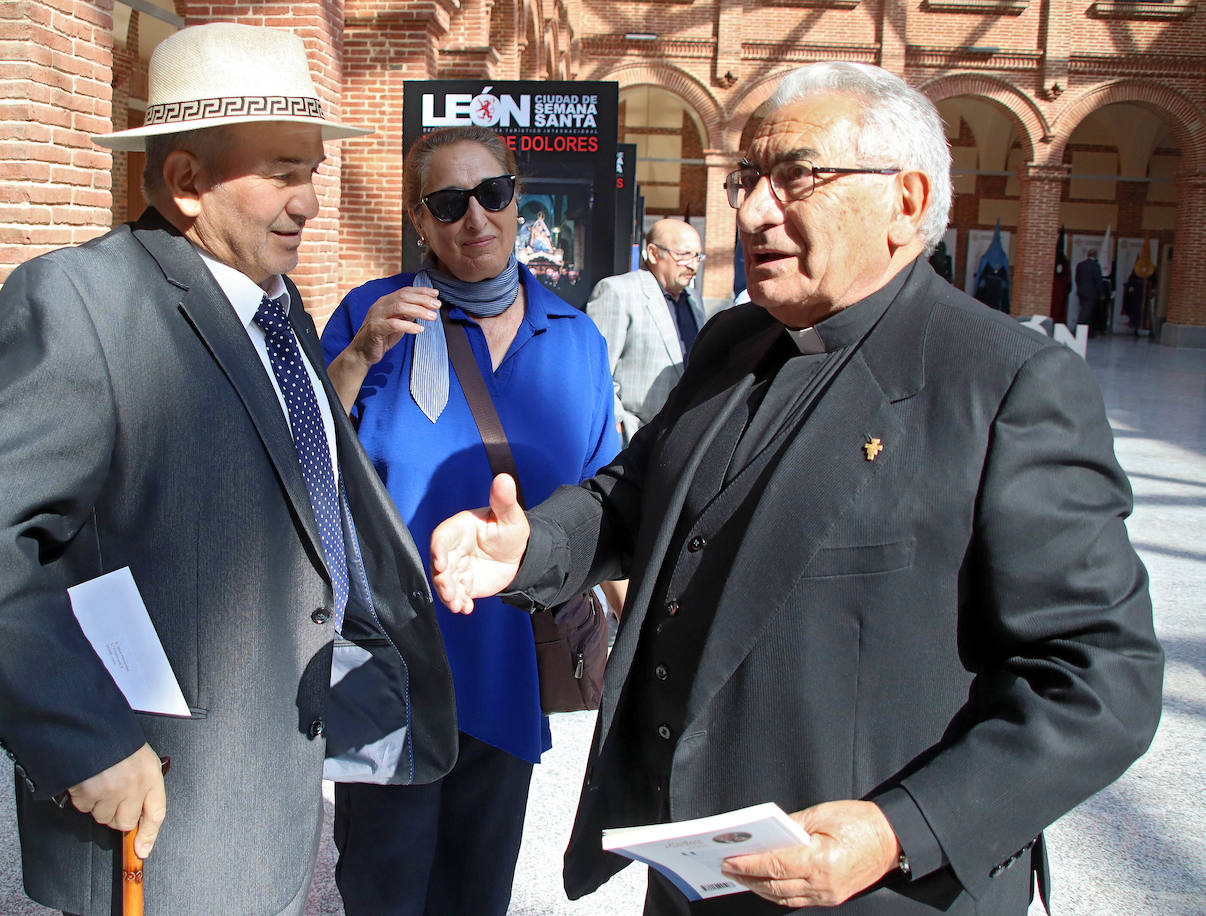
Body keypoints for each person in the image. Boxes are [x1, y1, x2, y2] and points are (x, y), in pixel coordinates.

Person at [432, 61, 1163, 916]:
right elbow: (633, 498)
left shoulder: (1006, 385)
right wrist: (531, 546)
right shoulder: (733, 341)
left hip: (872, 888)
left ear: (907, 198)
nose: (750, 211)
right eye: (750, 178)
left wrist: (899, 829)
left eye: (797, 177)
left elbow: (1101, 675)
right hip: (696, 873)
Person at [0, 23, 456, 916]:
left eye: (314, 170)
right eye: (284, 171)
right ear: (186, 184)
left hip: (272, 808)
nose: (311, 202)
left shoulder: (275, 308)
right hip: (161, 822)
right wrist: (83, 738)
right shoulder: (81, 303)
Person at [320, 124, 622, 916]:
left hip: (509, 664)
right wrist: (357, 355)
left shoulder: (577, 340)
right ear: (418, 220)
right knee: (385, 890)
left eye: (492, 194)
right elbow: (300, 460)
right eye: (448, 203)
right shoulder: (370, 314)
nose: (475, 219)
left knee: (476, 894)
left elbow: (609, 504)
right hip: (392, 666)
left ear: (519, 200)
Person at [587, 219, 706, 443]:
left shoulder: (695, 301)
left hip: (682, 438)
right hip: (635, 440)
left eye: (698, 256)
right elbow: (596, 372)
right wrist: (620, 427)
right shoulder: (618, 292)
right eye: (683, 254)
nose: (693, 265)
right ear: (653, 253)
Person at [1075, 248, 1103, 331]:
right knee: (1087, 313)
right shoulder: (1095, 265)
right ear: (1095, 255)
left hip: (1081, 292)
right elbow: (1098, 280)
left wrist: (1080, 288)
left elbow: (1077, 278)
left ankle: (1085, 330)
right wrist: (1101, 293)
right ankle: (1081, 330)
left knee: (1083, 310)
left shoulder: (1080, 264)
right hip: (1091, 293)